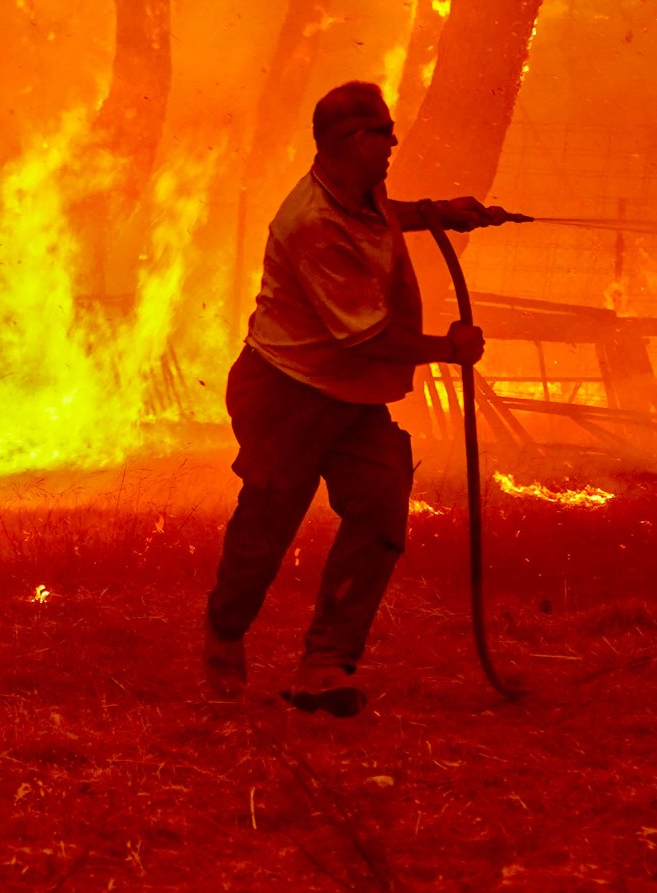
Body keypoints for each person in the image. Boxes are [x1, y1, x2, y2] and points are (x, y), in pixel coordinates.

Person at [204, 80, 506, 717]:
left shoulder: (356, 187)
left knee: (381, 510)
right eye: (381, 133)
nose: (393, 142)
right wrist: (449, 348)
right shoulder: (312, 223)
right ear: (347, 143)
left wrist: (435, 212)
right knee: (267, 528)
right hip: (285, 395)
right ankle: (225, 633)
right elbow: (369, 340)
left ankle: (325, 665)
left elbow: (381, 212)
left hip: (348, 399)